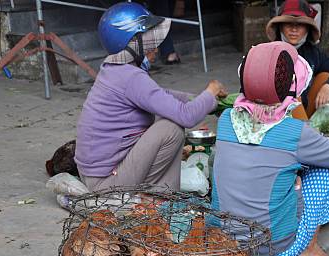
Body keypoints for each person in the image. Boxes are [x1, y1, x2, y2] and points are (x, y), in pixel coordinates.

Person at [211, 41, 329, 256]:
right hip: (272, 253)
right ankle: (308, 247)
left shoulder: (225, 120)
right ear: (292, 85)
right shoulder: (295, 132)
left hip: (223, 246)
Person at [75, 2, 226, 192]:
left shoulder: (114, 69)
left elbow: (162, 96)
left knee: (166, 115)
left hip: (93, 175)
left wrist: (204, 100)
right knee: (171, 128)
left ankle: (160, 193)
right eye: (149, 44)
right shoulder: (131, 77)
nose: (154, 49)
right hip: (105, 183)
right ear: (132, 44)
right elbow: (187, 116)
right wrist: (211, 91)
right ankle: (164, 197)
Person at [266, 0, 329, 120]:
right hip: (277, 117)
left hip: (305, 110)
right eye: (288, 24)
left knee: (325, 77)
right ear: (280, 26)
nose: (294, 29)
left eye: (300, 25)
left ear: (307, 29)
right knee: (290, 94)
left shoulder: (312, 53)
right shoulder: (267, 52)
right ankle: (307, 134)